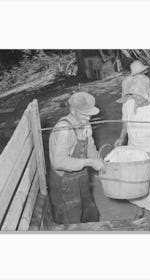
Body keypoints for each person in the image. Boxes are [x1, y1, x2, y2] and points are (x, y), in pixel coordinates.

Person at [115, 73, 150, 219]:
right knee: (136, 185)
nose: (135, 99)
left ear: (147, 92)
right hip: (133, 153)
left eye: (138, 95)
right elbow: (125, 124)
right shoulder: (128, 103)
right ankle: (140, 210)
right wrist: (121, 138)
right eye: (132, 95)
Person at [49, 92, 104, 225]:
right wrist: (90, 162)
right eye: (85, 114)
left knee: (89, 214)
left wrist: (99, 162)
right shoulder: (64, 130)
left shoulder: (84, 123)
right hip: (64, 182)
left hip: (81, 176)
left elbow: (89, 147)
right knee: (71, 221)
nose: (88, 118)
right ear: (72, 110)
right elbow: (59, 162)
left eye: (90, 114)